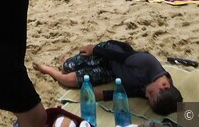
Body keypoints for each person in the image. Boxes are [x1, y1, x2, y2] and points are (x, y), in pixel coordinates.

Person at [34, 39, 182, 116]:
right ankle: (81, 56)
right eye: (149, 95)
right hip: (109, 54)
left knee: (70, 80)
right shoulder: (148, 63)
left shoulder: (155, 91)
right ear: (164, 85)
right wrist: (95, 49)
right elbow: (118, 56)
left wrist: (104, 95)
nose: (145, 95)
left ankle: (48, 70)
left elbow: (129, 92)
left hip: (112, 73)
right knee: (68, 66)